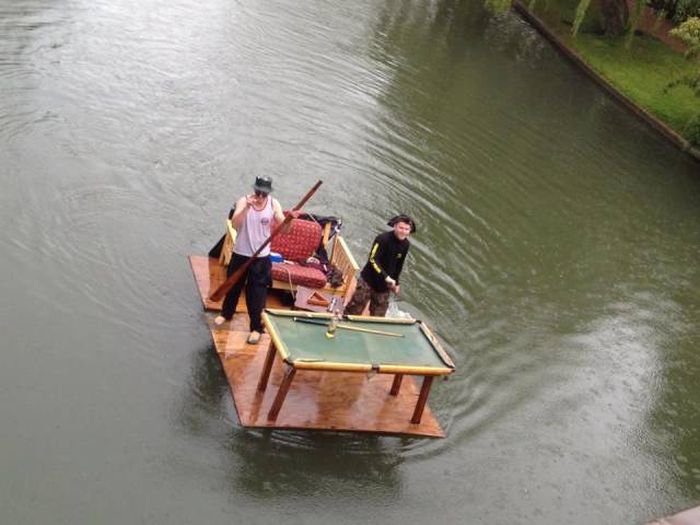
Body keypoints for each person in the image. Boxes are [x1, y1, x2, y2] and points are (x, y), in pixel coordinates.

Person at [214, 176, 294, 344]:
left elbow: (285, 229)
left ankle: (256, 328)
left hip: (261, 258)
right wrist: (246, 208)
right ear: (254, 190)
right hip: (240, 254)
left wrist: (289, 221)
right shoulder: (243, 201)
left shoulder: (273, 204)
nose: (260, 197)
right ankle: (226, 313)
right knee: (233, 287)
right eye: (258, 193)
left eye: (264, 194)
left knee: (257, 294)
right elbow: (235, 224)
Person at [344, 214, 416, 317]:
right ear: (395, 226)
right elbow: (373, 259)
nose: (403, 231)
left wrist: (396, 283)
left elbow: (399, 265)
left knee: (379, 315)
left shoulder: (406, 244)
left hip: (384, 286)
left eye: (406, 229)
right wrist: (386, 277)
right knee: (354, 309)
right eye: (401, 228)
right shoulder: (382, 239)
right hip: (368, 280)